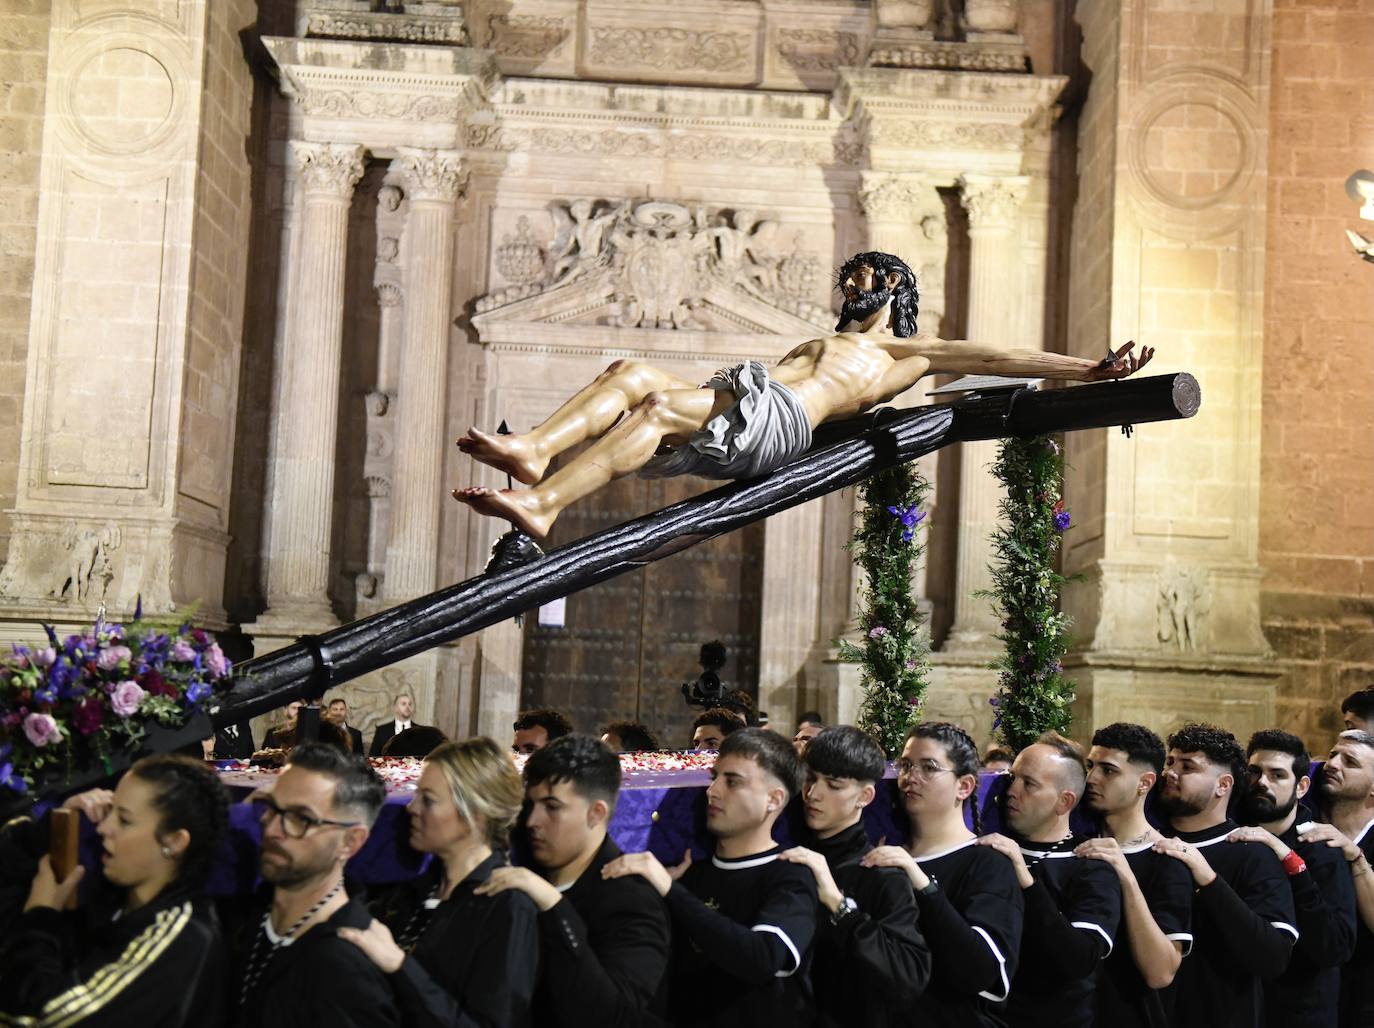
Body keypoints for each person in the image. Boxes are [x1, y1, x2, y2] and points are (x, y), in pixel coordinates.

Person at [453, 250, 1153, 538]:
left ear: (896, 290)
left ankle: (543, 504)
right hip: (750, 397)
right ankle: (534, 454)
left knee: (657, 406)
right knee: (629, 375)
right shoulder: (826, 338)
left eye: (867, 280)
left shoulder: (904, 351)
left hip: (782, 421)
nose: (852, 288)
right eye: (849, 279)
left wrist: (1089, 369)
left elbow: (1000, 355)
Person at [603, 728, 819, 1026]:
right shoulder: (692, 875)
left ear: (774, 799)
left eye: (732, 781)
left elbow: (763, 958)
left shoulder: (791, 876)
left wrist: (671, 891)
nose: (713, 790)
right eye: (714, 777)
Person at [0, 756, 229, 1026]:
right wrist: (49, 829)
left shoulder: (181, 934)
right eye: (110, 811)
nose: (104, 828)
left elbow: (45, 1016)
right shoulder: (114, 895)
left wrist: (41, 916)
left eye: (124, 820)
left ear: (175, 842)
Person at [339, 737, 540, 1027]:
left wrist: (399, 965)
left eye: (428, 799)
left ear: (476, 815)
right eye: (416, 794)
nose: (411, 808)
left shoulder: (508, 907)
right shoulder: (415, 888)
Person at [476, 734, 671, 1026]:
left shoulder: (632, 900)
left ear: (596, 813)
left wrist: (554, 907)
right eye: (532, 804)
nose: (532, 821)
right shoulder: (525, 866)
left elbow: (614, 1015)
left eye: (552, 807)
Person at [862, 722, 1024, 1028]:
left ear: (964, 786)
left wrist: (922, 884)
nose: (911, 777)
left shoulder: (987, 863)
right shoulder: (885, 856)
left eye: (929, 767)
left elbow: (981, 971)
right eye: (906, 765)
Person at [232, 743, 399, 1028]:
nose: (271, 829)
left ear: (351, 842)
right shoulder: (249, 914)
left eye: (301, 819)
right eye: (270, 808)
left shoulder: (345, 970)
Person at [779, 725, 931, 1027]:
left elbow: (908, 977)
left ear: (865, 796)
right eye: (810, 779)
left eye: (833, 785)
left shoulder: (880, 874)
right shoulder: (789, 850)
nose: (813, 794)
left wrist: (839, 904)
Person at [1153, 722, 1296, 1028]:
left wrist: (1209, 880)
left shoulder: (1251, 852)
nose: (1170, 772)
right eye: (1170, 762)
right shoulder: (1152, 844)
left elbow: (1273, 957)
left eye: (1188, 766)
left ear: (1223, 785)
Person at [978, 732, 1120, 1028]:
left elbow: (1078, 959)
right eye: (1012, 778)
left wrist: (1026, 881)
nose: (1012, 791)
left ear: (1063, 801)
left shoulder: (1090, 864)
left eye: (1028, 784)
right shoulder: (989, 850)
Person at [1233, 729, 1355, 1028]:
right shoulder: (1234, 838)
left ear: (1301, 786)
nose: (1262, 782)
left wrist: (1290, 862)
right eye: (1254, 772)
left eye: (1277, 775)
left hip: (1300, 1012)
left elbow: (1335, 947)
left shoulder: (1321, 849)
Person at [1076, 722, 1192, 1028]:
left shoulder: (1167, 858)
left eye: (1108, 770)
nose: (1092, 778)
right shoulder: (1077, 846)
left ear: (1145, 782)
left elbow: (1161, 972)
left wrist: (1126, 877)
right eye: (1090, 766)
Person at [1304, 729, 1374, 1026]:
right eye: (1333, 755)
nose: (1332, 764)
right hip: (1308, 994)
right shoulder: (1304, 825)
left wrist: (1355, 856)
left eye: (1350, 762)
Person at [370, 693, 421, 757]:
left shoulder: (419, 730)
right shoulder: (382, 731)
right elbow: (373, 757)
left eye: (410, 704)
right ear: (395, 707)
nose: (408, 707)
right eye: (403, 704)